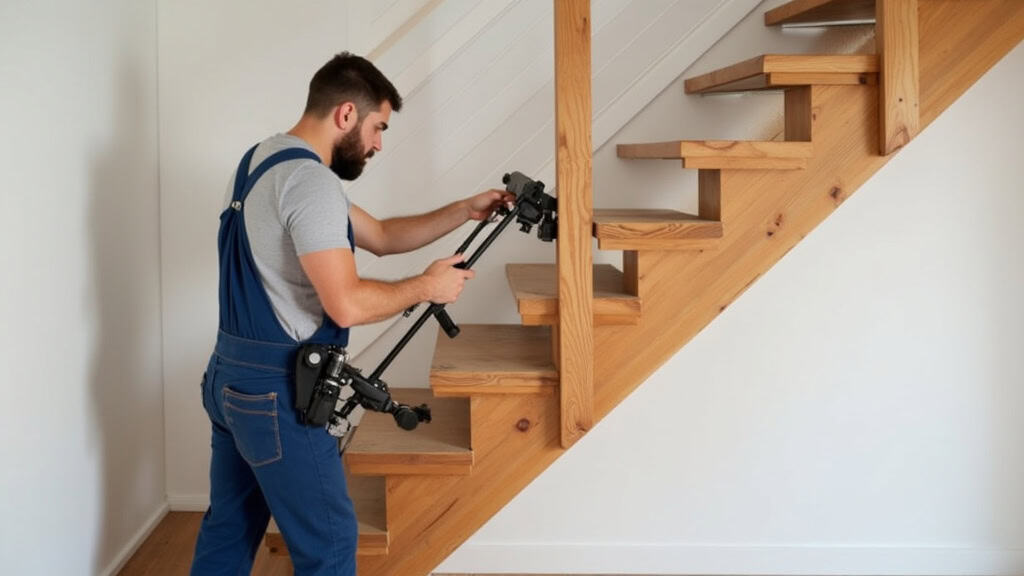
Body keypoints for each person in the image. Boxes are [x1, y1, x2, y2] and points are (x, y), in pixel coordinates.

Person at [191, 52, 513, 576]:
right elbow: (347, 302)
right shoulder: (310, 183)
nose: (379, 144)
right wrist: (426, 287)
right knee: (332, 544)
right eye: (378, 127)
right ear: (346, 115)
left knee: (229, 527)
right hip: (276, 392)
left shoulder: (262, 159)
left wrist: (463, 210)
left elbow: (382, 236)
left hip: (229, 380)